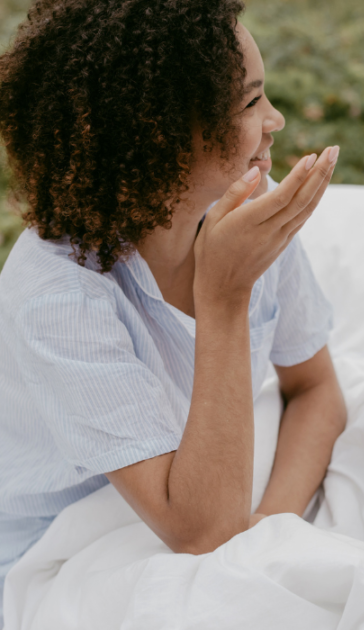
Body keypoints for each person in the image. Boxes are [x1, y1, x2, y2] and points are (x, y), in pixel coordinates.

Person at [0, 0, 346, 623]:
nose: (276, 119)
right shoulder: (58, 295)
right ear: (157, 135)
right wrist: (225, 295)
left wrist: (275, 523)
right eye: (249, 103)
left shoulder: (246, 212)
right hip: (62, 549)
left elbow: (316, 389)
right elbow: (202, 533)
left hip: (198, 495)